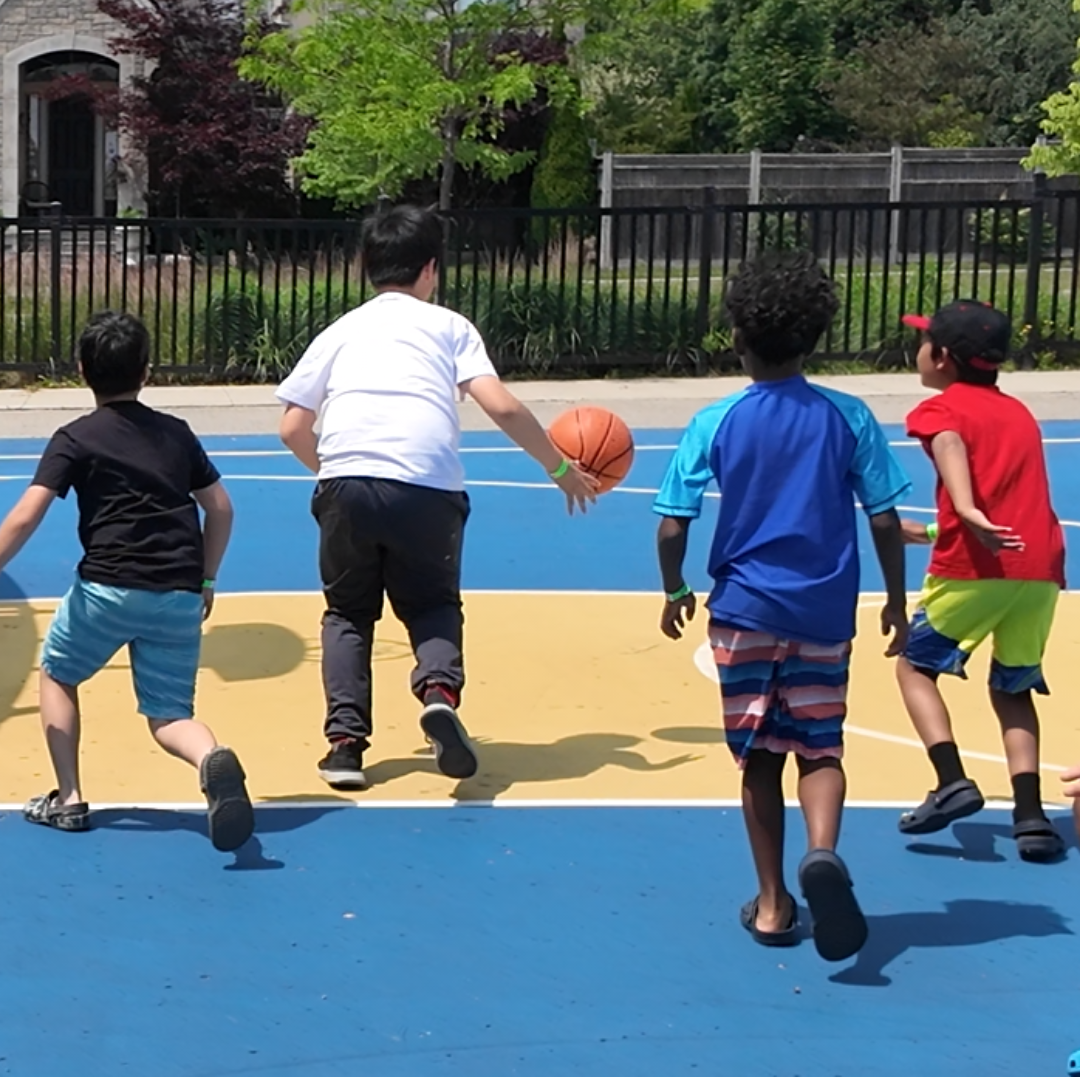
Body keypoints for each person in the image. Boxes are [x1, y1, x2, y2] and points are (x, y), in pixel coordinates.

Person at [276, 204, 596, 790]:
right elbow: (498, 404)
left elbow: (293, 427)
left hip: (346, 482)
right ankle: (440, 693)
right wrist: (558, 467)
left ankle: (345, 747)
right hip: (427, 485)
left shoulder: (340, 332)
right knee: (430, 604)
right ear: (431, 269)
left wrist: (334, 474)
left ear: (365, 266)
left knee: (348, 613)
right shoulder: (449, 327)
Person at [654, 251, 911, 962]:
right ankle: (821, 854)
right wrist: (894, 599)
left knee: (759, 759)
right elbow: (885, 518)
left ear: (737, 333)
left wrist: (674, 586)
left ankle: (772, 906)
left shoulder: (718, 419)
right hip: (823, 611)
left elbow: (674, 520)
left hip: (743, 610)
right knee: (821, 747)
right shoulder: (848, 415)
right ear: (816, 336)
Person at [0, 311, 252, 852]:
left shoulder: (74, 438)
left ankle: (68, 800)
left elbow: (25, 516)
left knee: (58, 674)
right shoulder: (176, 435)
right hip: (179, 590)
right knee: (169, 716)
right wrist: (206, 578)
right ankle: (211, 759)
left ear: (81, 369)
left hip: (107, 589)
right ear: (148, 371)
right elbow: (221, 509)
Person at [895, 300, 1066, 863]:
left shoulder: (940, 409)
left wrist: (963, 508)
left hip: (976, 568)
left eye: (923, 342)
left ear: (941, 357)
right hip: (1039, 568)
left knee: (915, 666)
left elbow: (949, 444)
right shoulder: (1019, 413)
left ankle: (950, 779)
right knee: (1013, 687)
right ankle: (1032, 817)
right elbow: (1006, 501)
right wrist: (929, 528)